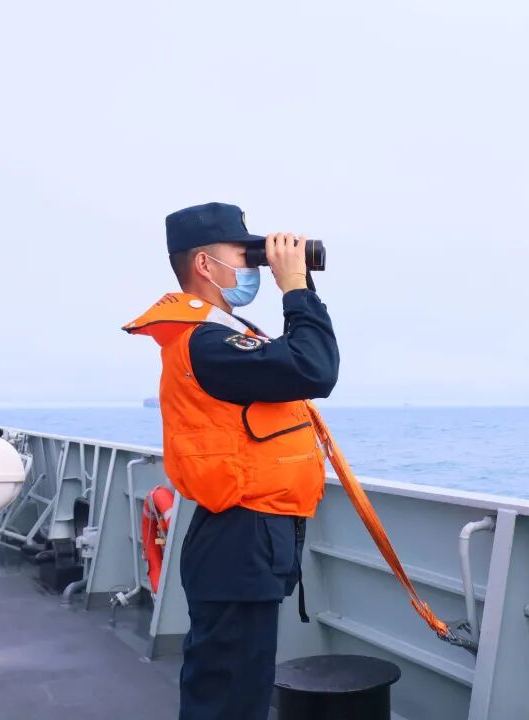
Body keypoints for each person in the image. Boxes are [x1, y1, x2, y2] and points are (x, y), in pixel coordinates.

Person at [122, 202, 339, 720]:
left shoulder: (218, 334)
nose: (255, 264)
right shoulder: (207, 342)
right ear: (204, 264)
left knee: (237, 687)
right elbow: (314, 368)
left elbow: (297, 366)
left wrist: (300, 286)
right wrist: (296, 288)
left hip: (246, 538)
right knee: (230, 696)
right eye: (244, 254)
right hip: (239, 540)